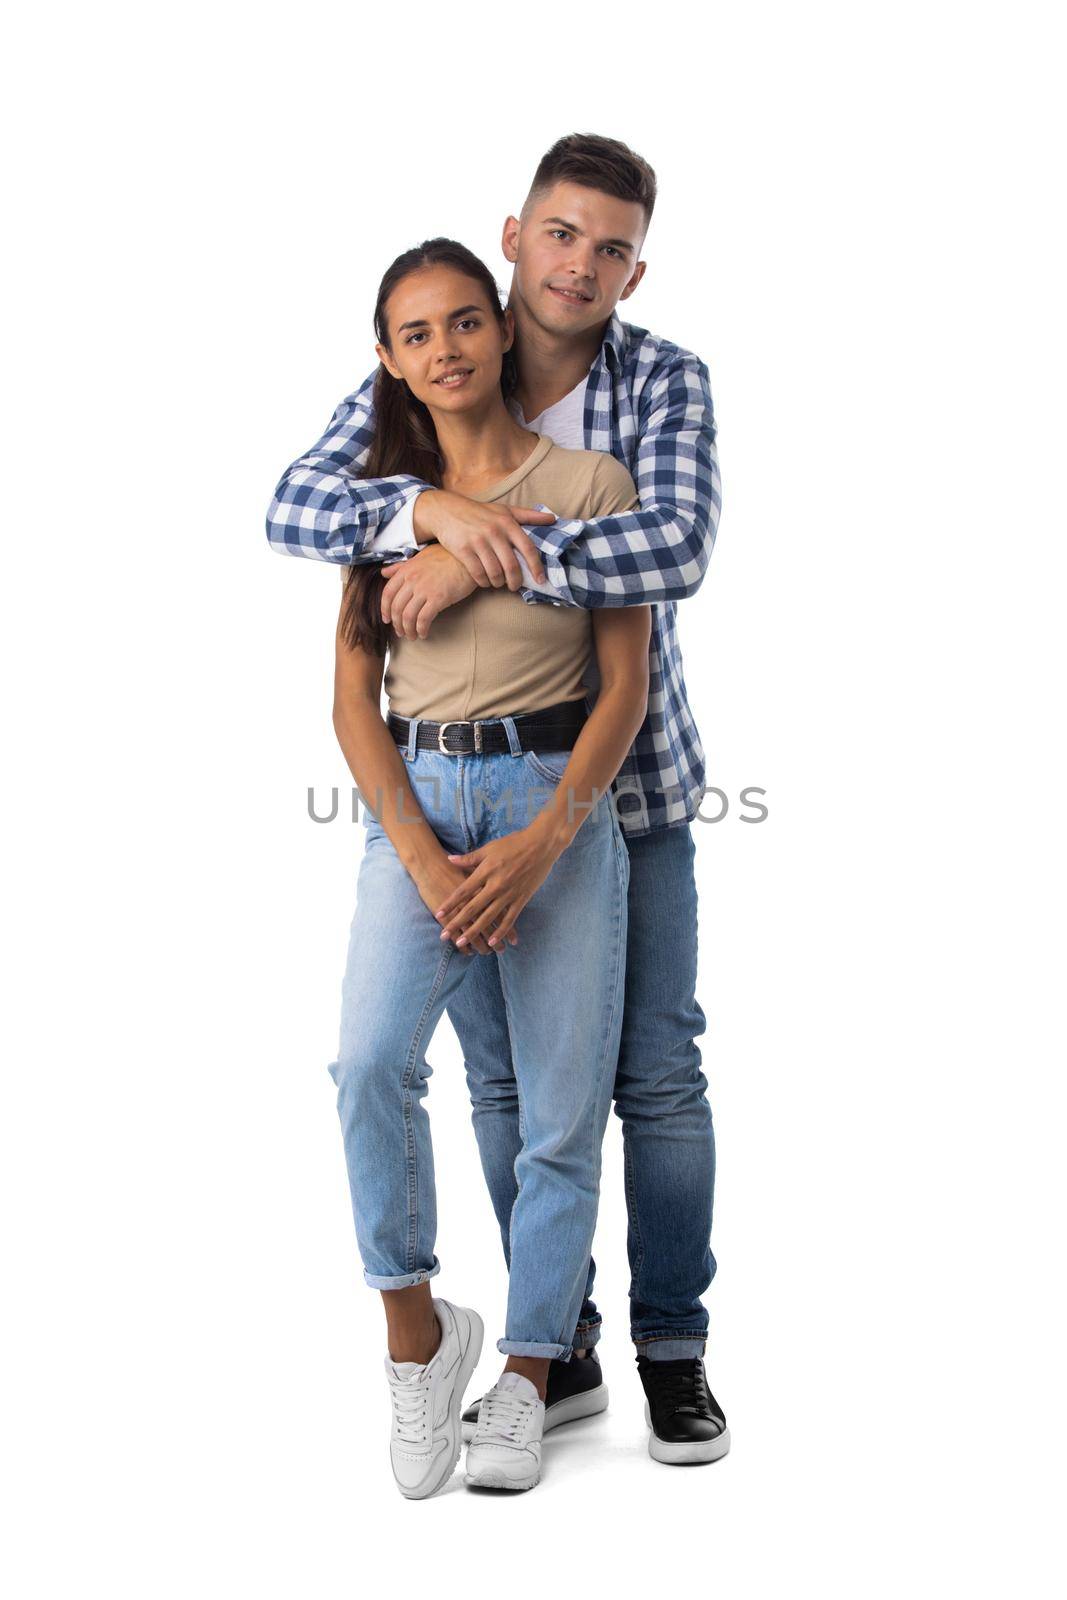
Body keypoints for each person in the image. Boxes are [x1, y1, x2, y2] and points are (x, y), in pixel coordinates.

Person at [267, 133, 730, 1465]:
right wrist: (424, 506)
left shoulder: (655, 386)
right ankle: (549, 1345)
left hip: (617, 783)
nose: (577, 265)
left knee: (648, 1073)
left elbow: (673, 544)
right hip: (443, 781)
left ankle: (672, 1349)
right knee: (495, 1082)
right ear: (516, 231)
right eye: (558, 233)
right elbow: (296, 510)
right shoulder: (424, 377)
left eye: (608, 246)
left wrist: (482, 555)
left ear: (634, 267)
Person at [327, 237, 652, 1497]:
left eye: (467, 321)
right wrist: (421, 852)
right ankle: (419, 1333)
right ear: (389, 360)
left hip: (548, 797)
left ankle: (527, 1375)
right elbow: (353, 701)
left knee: (560, 1112)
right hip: (415, 803)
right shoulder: (381, 499)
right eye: (417, 334)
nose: (447, 348)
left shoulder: (588, 481)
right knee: (370, 1062)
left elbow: (621, 687)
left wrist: (541, 839)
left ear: (500, 333)